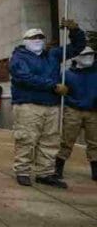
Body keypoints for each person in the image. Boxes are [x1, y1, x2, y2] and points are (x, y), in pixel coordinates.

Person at [10, 20, 85, 188]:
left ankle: (45, 173)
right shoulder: (18, 57)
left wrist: (75, 31)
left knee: (50, 140)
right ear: (25, 40)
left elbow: (77, 47)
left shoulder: (52, 55)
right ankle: (22, 171)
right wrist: (52, 85)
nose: (38, 40)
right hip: (28, 105)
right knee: (26, 139)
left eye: (40, 37)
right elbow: (24, 77)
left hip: (52, 105)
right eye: (33, 37)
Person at [56, 47, 97, 181]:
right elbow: (61, 92)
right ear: (76, 57)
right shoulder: (66, 75)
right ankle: (58, 168)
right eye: (85, 55)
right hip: (73, 110)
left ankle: (95, 171)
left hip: (93, 111)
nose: (89, 57)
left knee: (95, 142)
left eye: (91, 54)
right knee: (67, 140)